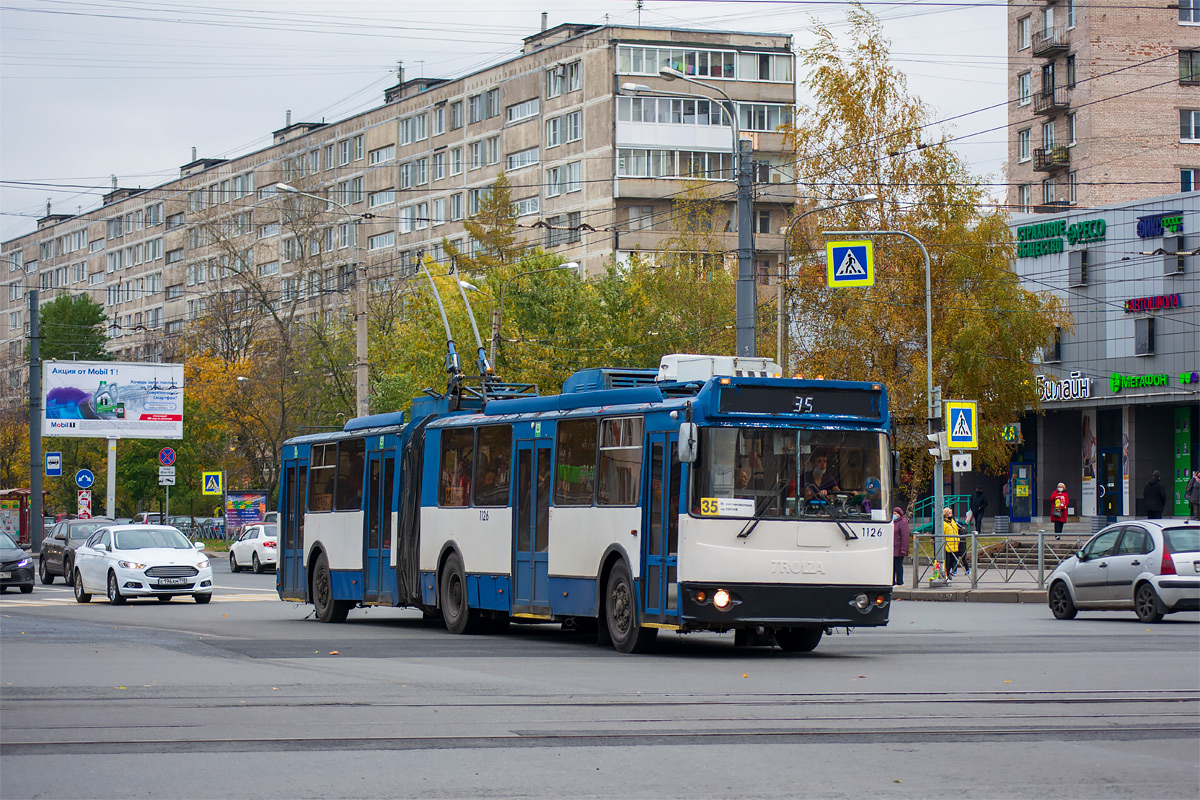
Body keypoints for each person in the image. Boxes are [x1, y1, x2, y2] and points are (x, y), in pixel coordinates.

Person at [892, 507, 910, 586]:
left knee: (898, 566)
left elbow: (905, 536)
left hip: (899, 548)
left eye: (895, 514)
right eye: (893, 514)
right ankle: (893, 582)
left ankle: (899, 582)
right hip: (892, 548)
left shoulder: (902, 522)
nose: (894, 515)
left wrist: (903, 549)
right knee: (892, 566)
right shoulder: (892, 522)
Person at [942, 507, 961, 579]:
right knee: (947, 561)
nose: (951, 514)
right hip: (947, 545)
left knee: (953, 561)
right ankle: (946, 575)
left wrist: (958, 539)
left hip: (954, 544)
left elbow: (956, 531)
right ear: (946, 514)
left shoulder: (953, 521)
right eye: (950, 513)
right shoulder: (943, 523)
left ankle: (948, 573)